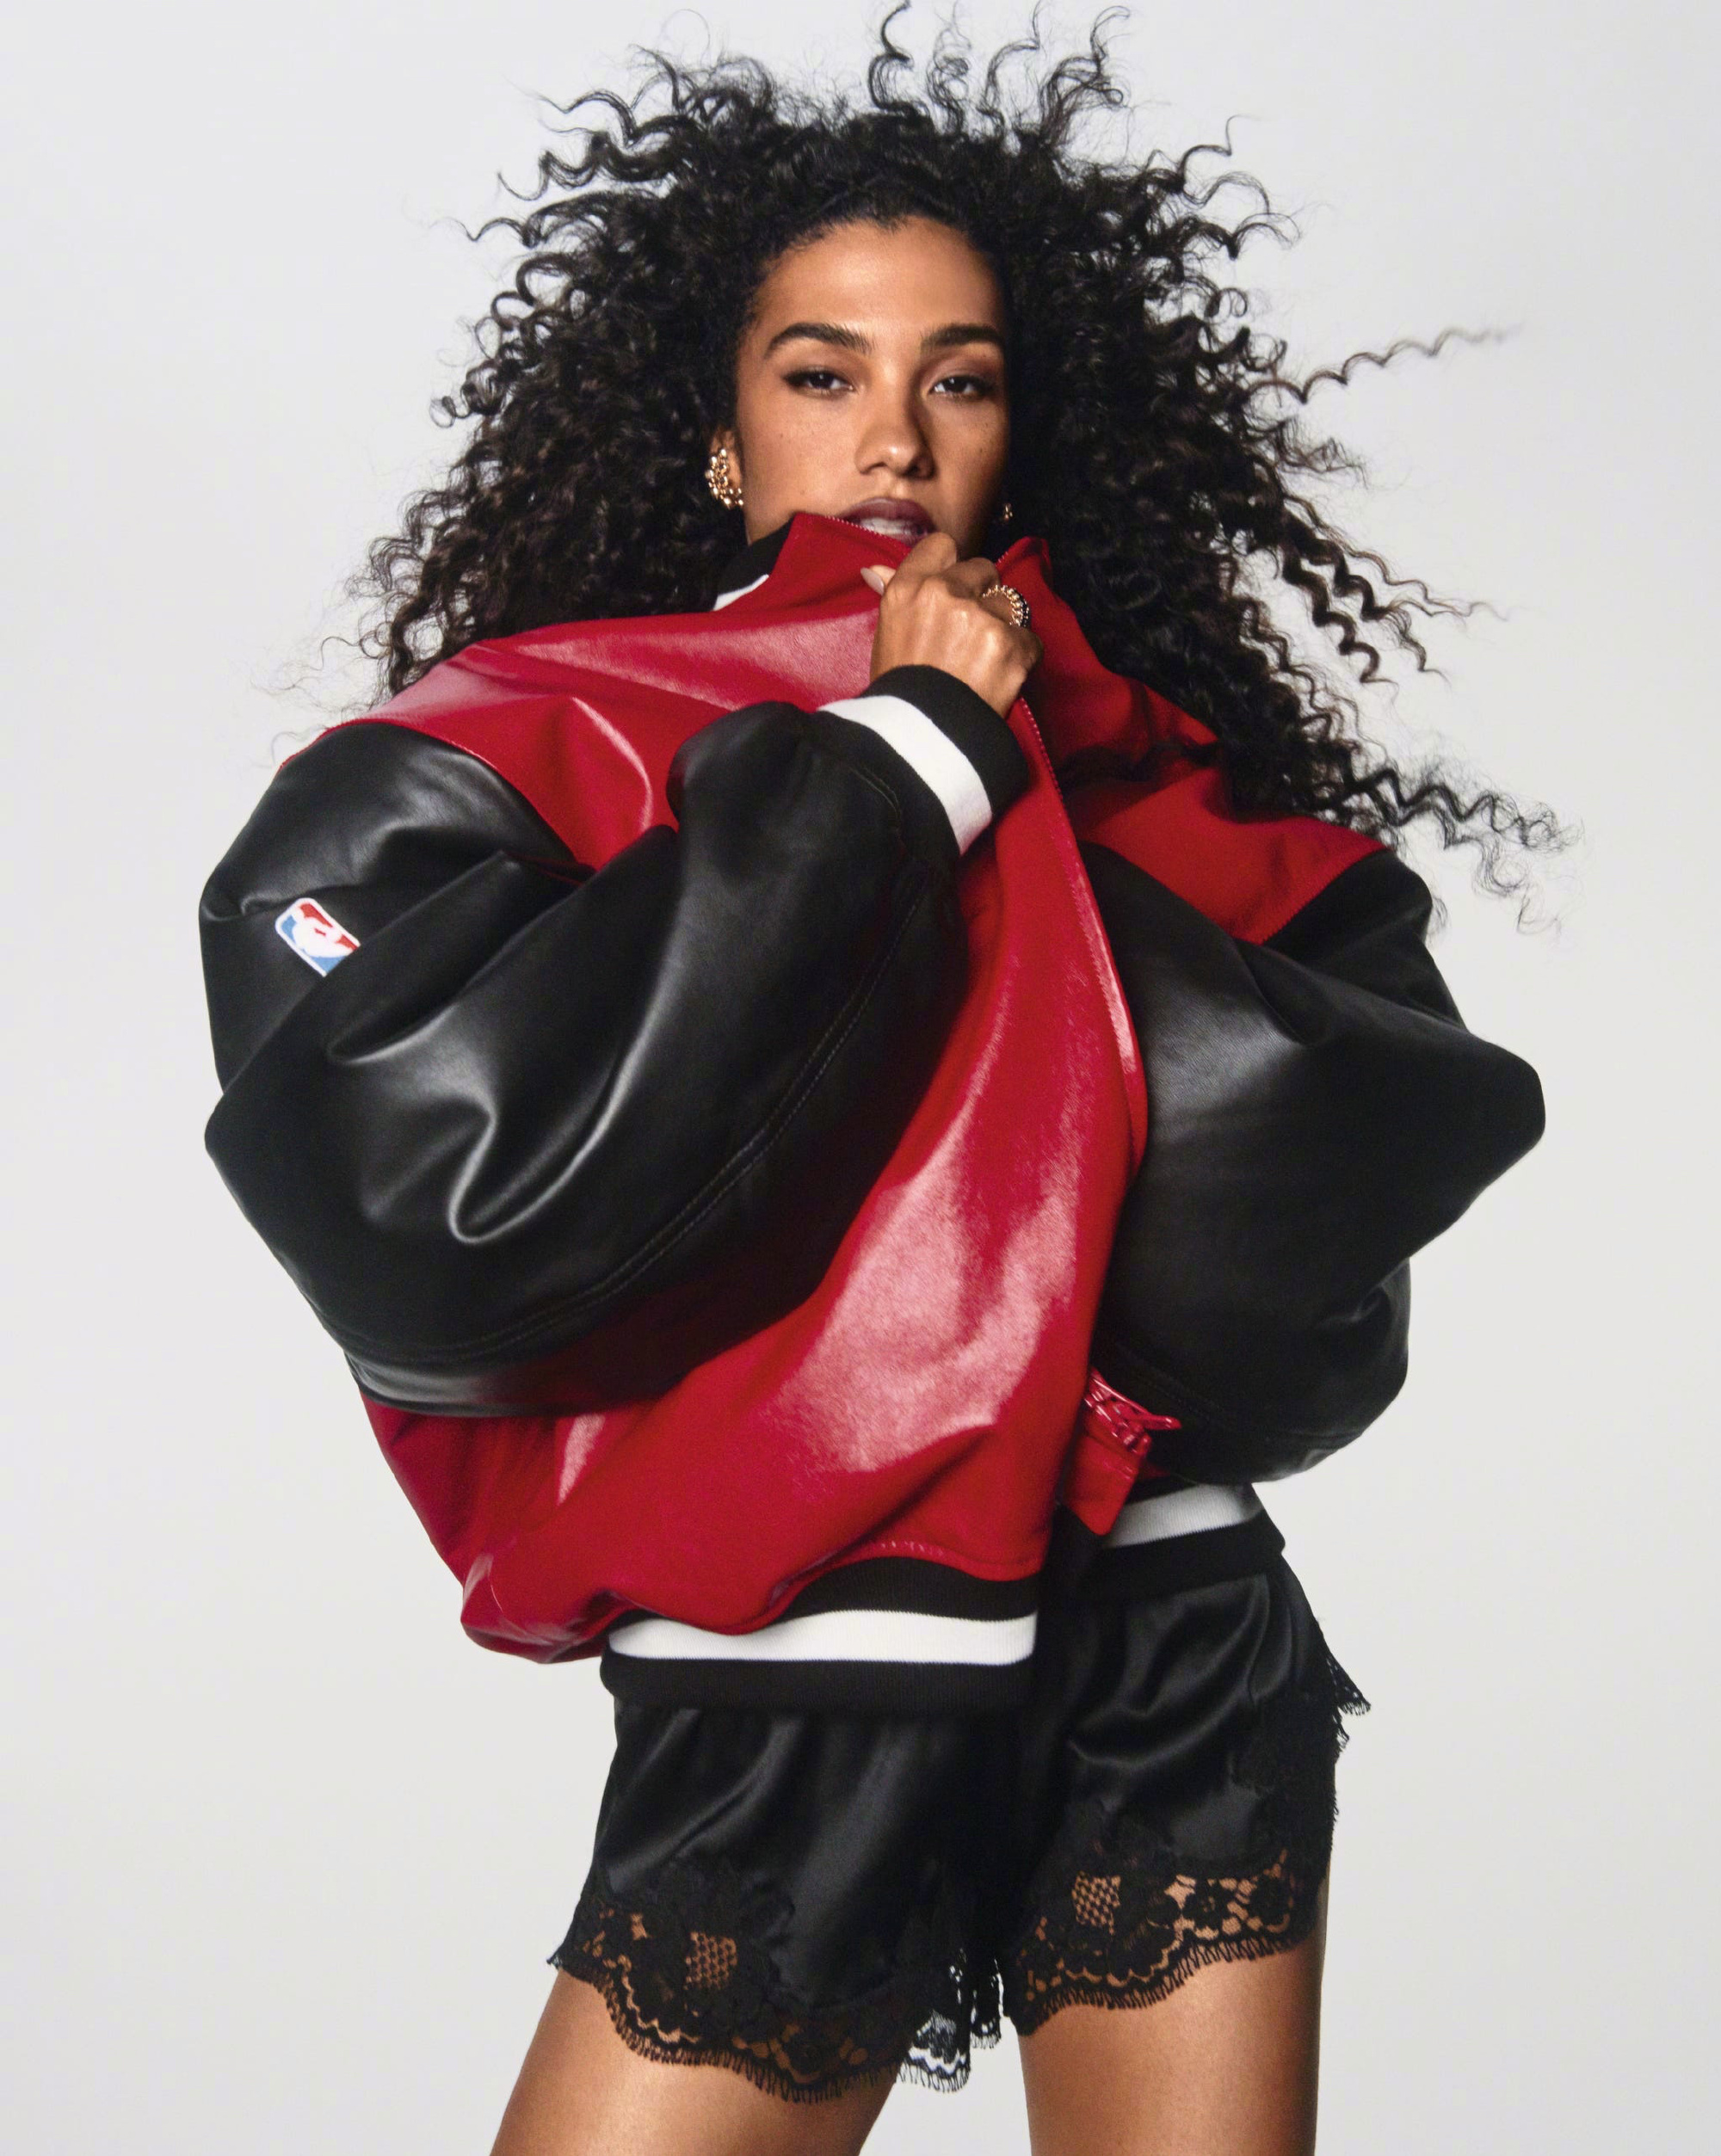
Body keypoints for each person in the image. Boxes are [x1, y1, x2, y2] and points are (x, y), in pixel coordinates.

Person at [197, 15, 1556, 2153]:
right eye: (821, 373)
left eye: (962, 377)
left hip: (1171, 1640)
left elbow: (1320, 1242)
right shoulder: (550, 734)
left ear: (1022, 432)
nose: (896, 436)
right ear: (721, 440)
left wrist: (1011, 836)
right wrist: (910, 762)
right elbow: (443, 1200)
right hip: (797, 1680)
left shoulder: (1144, 757)